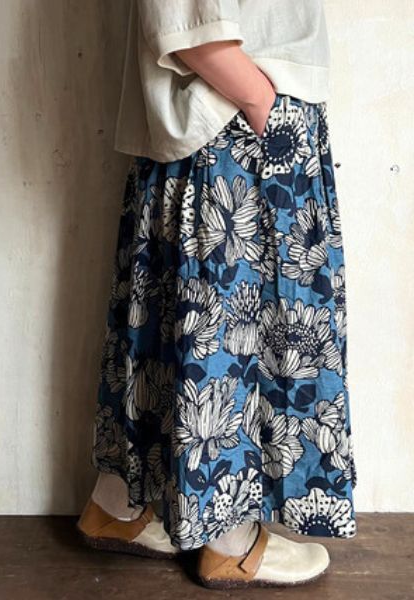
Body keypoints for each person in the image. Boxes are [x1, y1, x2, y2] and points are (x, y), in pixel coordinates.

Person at [77, 0, 358, 589]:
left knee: (168, 322)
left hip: (216, 131)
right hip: (232, 135)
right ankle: (228, 540)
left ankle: (121, 506)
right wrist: (260, 101)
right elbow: (185, 24)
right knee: (230, 336)